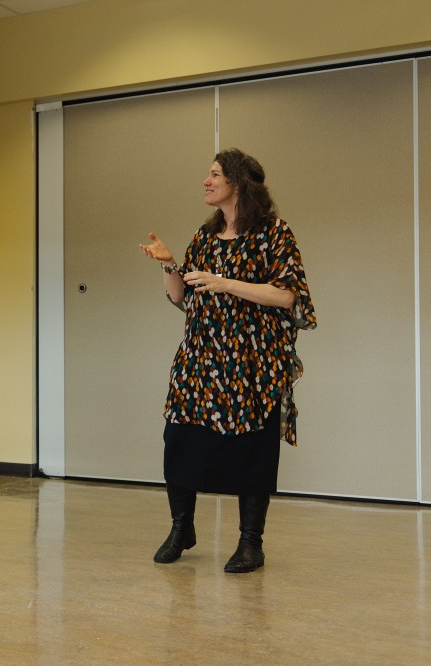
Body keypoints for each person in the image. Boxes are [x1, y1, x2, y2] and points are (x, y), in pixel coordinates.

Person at [139, 148, 316, 573]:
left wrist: (225, 282)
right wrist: (168, 266)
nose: (206, 180)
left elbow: (286, 295)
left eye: (215, 174)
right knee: (179, 442)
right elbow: (181, 296)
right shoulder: (203, 237)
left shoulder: (274, 233)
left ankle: (251, 543)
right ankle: (182, 529)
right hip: (199, 359)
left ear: (238, 183)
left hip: (253, 362)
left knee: (252, 451)